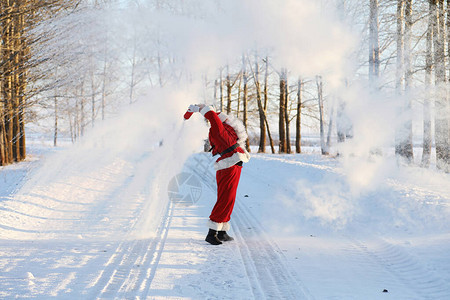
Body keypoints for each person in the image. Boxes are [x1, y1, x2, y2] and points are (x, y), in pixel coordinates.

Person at [185, 104, 250, 245]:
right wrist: (199, 110)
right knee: (225, 198)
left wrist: (201, 108)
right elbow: (212, 116)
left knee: (230, 198)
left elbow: (223, 118)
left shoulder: (226, 129)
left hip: (234, 164)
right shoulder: (217, 130)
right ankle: (211, 232)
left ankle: (221, 231)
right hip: (228, 165)